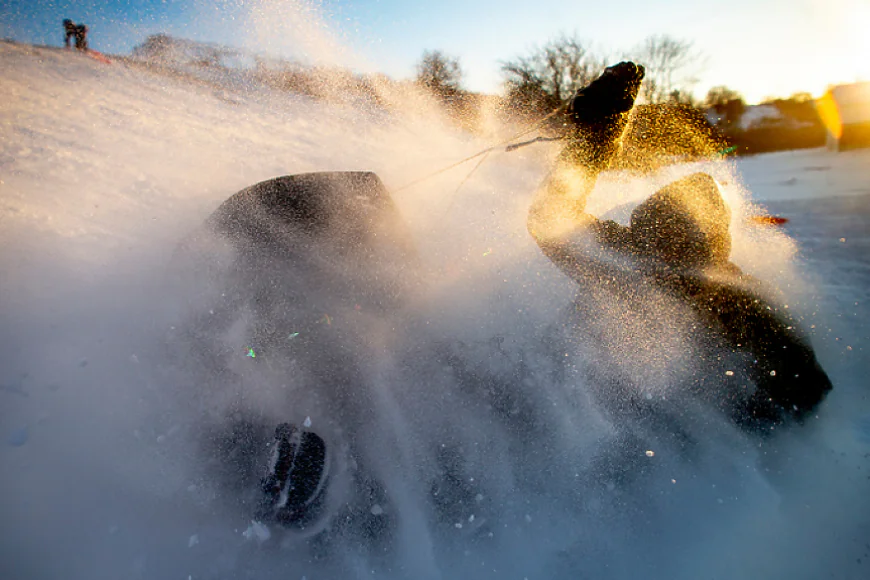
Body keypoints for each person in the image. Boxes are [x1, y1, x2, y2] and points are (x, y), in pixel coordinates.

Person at [527, 62, 833, 431]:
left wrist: (741, 420)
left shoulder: (743, 303)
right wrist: (599, 134)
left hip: (651, 439)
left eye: (684, 245)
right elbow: (552, 216)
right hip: (562, 397)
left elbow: (809, 389)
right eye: (660, 239)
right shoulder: (625, 256)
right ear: (645, 233)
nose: (668, 261)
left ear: (710, 248)